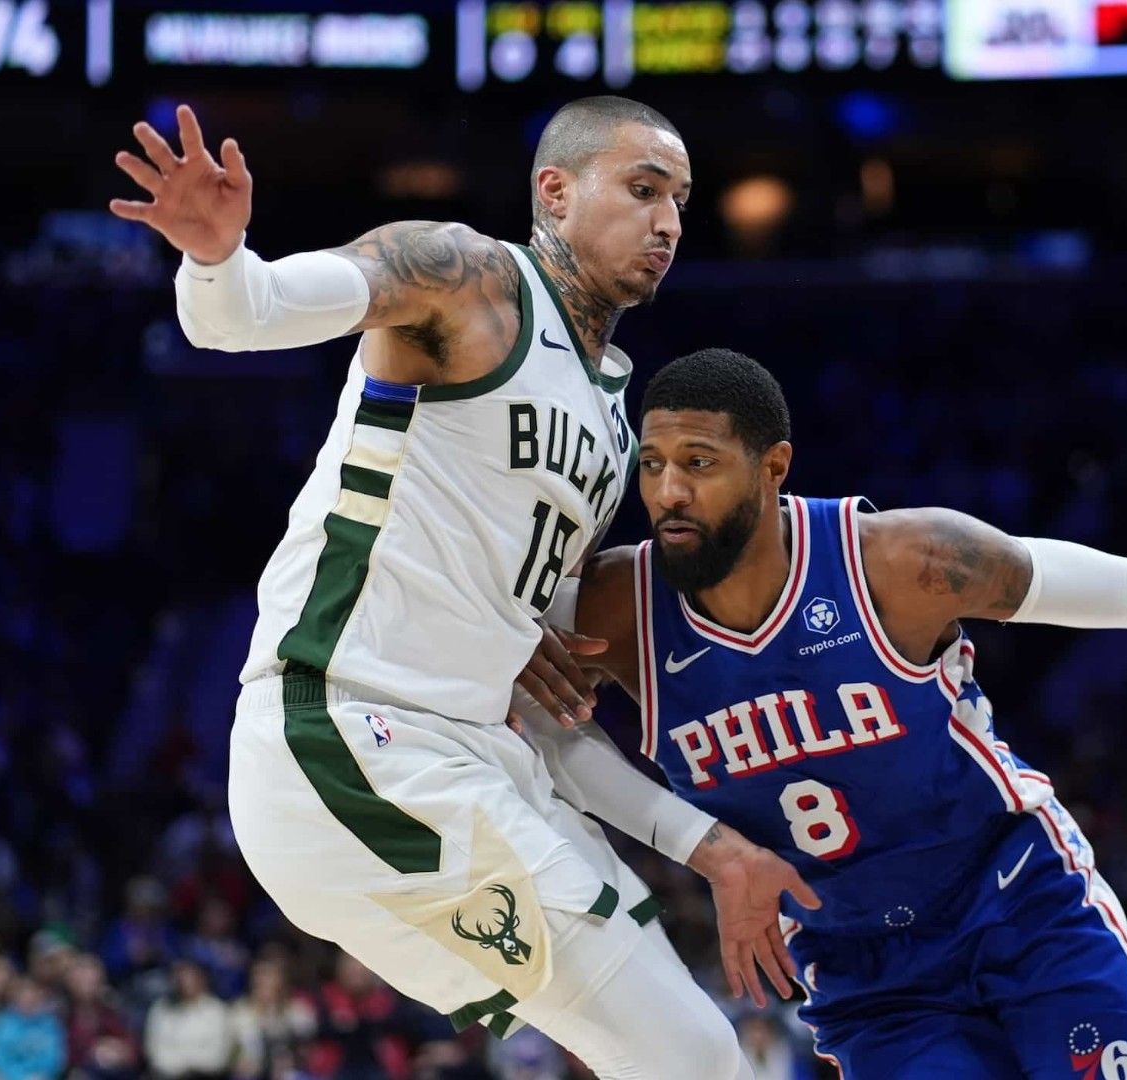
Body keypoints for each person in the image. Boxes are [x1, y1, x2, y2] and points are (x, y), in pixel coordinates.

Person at [516, 348, 1127, 1077]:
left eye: (699, 462)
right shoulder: (614, 609)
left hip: (1016, 898)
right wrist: (699, 846)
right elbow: (536, 721)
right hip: (865, 968)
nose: (669, 492)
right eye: (653, 464)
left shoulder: (902, 563)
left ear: (774, 468)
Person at [107, 97, 812, 1078]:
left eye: (681, 203)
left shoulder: (615, 432)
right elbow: (243, 315)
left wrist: (714, 850)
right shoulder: (464, 276)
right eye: (644, 189)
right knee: (687, 1055)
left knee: (692, 1052)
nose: (667, 223)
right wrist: (216, 257)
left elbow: (549, 713)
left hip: (473, 754)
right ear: (555, 192)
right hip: (349, 732)